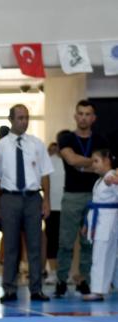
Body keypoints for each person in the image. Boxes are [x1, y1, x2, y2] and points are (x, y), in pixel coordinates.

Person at [0, 104, 53, 303]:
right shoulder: (1, 146)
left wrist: (47, 201)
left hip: (33, 198)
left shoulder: (37, 144)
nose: (24, 121)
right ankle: (9, 289)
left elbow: (45, 174)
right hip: (9, 198)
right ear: (11, 120)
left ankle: (36, 289)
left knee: (35, 245)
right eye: (20, 118)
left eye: (26, 117)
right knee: (10, 246)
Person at [54, 101, 107, 297]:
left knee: (88, 241)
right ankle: (61, 280)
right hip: (72, 195)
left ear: (93, 118)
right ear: (75, 116)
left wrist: (82, 165)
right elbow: (72, 160)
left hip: (95, 196)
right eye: (81, 114)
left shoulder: (101, 140)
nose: (84, 117)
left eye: (88, 114)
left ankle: (84, 279)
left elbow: (104, 167)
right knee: (66, 241)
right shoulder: (67, 138)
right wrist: (93, 163)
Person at [82, 149, 118, 301]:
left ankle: (98, 291)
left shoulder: (111, 177)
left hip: (107, 223)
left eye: (96, 161)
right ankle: (105, 287)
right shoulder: (100, 180)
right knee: (110, 256)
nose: (93, 165)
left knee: (100, 256)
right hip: (100, 221)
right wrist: (86, 224)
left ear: (107, 161)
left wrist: (115, 182)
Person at [45, 138, 65, 283]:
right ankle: (52, 272)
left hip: (67, 207)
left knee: (65, 241)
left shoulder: (70, 162)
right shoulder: (48, 161)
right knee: (51, 239)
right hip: (52, 206)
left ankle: (65, 271)